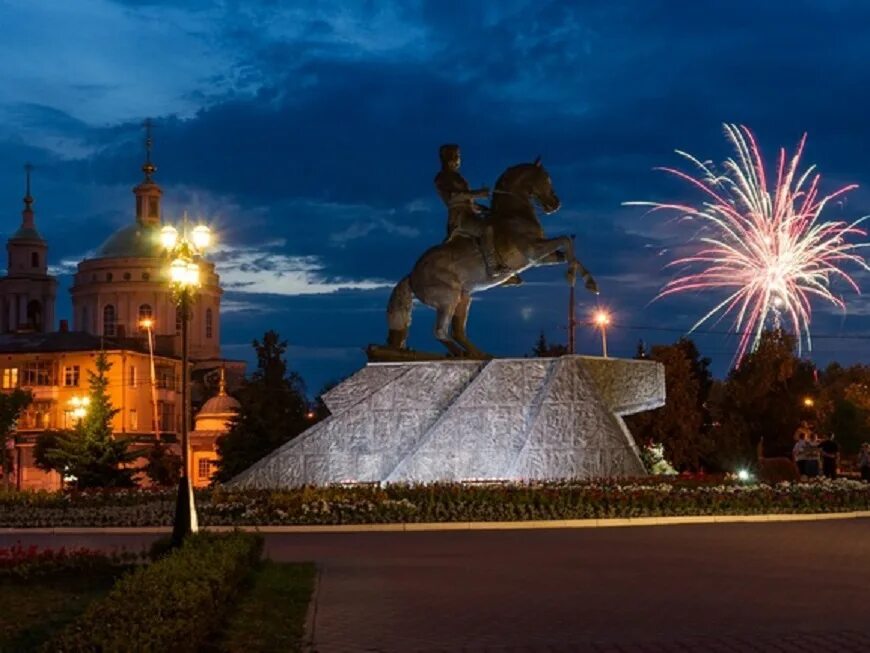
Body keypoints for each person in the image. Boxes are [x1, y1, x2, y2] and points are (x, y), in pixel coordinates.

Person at [434, 144, 521, 285]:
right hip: (460, 218)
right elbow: (453, 198)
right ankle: (493, 268)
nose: (458, 160)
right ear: (449, 158)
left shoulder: (458, 177)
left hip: (469, 213)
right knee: (485, 229)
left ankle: (502, 263)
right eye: (456, 156)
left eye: (458, 156)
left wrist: (484, 209)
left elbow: (469, 203)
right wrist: (478, 193)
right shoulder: (442, 178)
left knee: (496, 224)